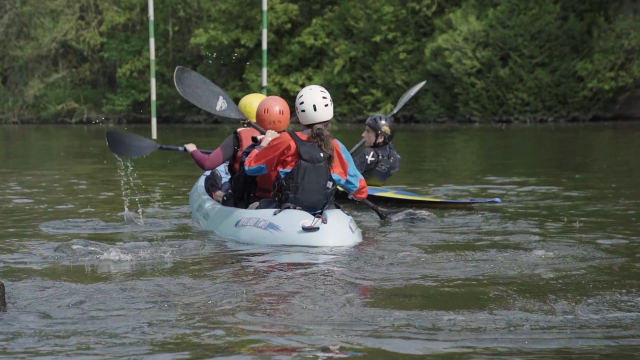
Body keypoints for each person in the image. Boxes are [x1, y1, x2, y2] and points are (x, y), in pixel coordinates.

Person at [243, 85, 368, 213]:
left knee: (253, 206)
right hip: (320, 213)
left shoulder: (286, 140)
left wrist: (263, 144)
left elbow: (250, 168)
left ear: (299, 114)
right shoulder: (336, 146)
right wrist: (351, 192)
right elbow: (361, 191)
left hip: (286, 211)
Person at [183, 94, 290, 208]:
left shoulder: (239, 138)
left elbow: (207, 163)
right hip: (279, 200)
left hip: (247, 199)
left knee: (211, 180)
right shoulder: (292, 141)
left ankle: (216, 194)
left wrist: (193, 150)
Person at [353, 114, 401, 186]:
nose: (363, 134)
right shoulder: (395, 158)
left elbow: (347, 175)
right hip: (375, 189)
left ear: (381, 138)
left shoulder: (366, 153)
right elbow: (389, 145)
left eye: (368, 131)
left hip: (357, 192)